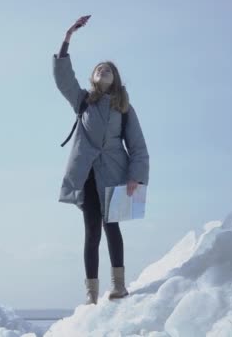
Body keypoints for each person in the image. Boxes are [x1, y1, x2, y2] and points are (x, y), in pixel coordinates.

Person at [52, 15, 150, 305]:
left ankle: (119, 287)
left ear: (114, 77)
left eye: (106, 68)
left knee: (112, 227)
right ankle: (91, 296)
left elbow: (138, 146)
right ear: (93, 78)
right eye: (98, 68)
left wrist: (137, 176)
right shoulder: (82, 101)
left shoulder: (124, 107)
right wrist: (67, 37)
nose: (102, 69)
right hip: (87, 176)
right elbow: (63, 78)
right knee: (91, 230)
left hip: (116, 174)